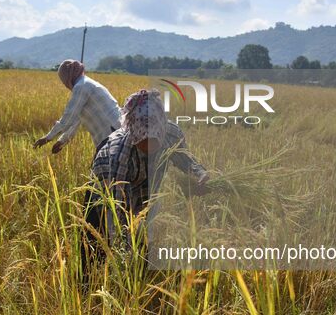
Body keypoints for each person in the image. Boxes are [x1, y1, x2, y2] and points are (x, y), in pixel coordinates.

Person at [81, 89, 209, 271]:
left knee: (142, 239)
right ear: (134, 134)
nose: (150, 146)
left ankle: (138, 273)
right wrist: (122, 250)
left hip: (143, 187)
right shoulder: (120, 155)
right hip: (105, 186)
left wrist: (200, 174)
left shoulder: (171, 134)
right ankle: (87, 284)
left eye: (154, 139)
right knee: (95, 241)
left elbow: (185, 159)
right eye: (144, 141)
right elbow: (115, 210)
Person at [33, 59, 121, 154]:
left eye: (64, 82)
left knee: (107, 167)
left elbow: (68, 117)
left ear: (67, 78)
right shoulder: (86, 83)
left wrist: (48, 138)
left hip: (112, 134)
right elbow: (76, 119)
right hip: (114, 132)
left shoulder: (81, 86)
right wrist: (61, 141)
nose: (66, 86)